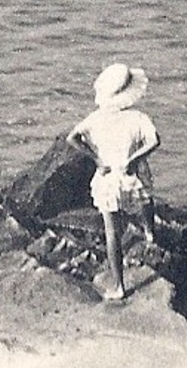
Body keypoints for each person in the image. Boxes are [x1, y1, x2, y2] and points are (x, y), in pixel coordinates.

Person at [67, 63, 160, 303]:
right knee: (146, 200)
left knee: (112, 232)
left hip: (108, 177)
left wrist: (96, 158)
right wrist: (135, 158)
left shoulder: (95, 118)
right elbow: (154, 141)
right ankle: (150, 233)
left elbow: (72, 138)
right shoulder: (137, 118)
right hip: (131, 174)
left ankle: (119, 285)